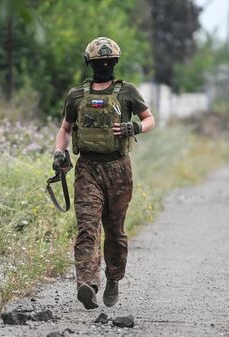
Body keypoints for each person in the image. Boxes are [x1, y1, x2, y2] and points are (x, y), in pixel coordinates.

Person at [52, 37, 155, 309]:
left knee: (115, 230)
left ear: (116, 63)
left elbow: (149, 119)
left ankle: (113, 278)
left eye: (109, 62)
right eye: (100, 62)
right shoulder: (77, 95)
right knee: (87, 227)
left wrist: (134, 128)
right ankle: (87, 283)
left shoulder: (128, 92)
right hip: (88, 169)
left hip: (119, 169)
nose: (105, 65)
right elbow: (64, 129)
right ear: (91, 64)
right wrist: (59, 153)